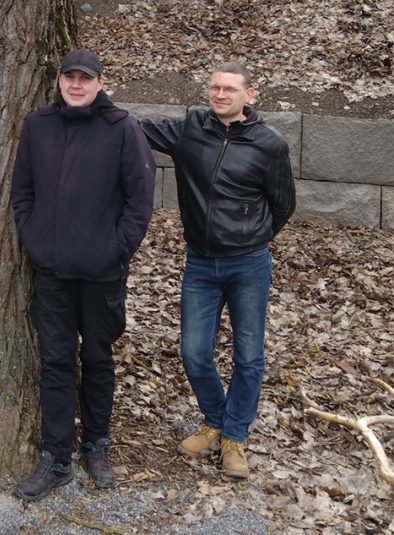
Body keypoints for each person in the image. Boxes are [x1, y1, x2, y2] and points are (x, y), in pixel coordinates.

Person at [10, 49, 156, 501]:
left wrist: (115, 250)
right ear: (59, 81)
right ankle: (56, 457)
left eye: (85, 78)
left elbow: (140, 200)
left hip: (101, 273)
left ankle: (96, 445)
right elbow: (22, 191)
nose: (76, 85)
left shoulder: (122, 128)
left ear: (99, 82)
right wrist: (34, 239)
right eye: (69, 77)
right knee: (55, 360)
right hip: (52, 271)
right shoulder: (38, 126)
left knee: (96, 358)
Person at [140, 63, 295, 479]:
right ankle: (214, 420)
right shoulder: (190, 128)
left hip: (249, 264)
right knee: (194, 352)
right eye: (215, 88)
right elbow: (136, 129)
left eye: (229, 89)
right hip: (200, 263)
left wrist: (252, 236)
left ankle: (234, 437)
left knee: (249, 355)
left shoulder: (270, 144)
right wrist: (95, 102)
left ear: (249, 94)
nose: (220, 95)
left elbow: (283, 203)